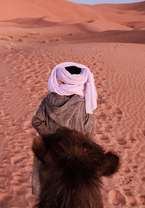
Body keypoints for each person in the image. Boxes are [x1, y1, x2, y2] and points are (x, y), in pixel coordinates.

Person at [31, 62, 98, 195]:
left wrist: (52, 138)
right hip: (74, 154)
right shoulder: (83, 104)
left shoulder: (49, 99)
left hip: (50, 151)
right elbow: (89, 133)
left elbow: (36, 121)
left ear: (61, 79)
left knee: (47, 192)